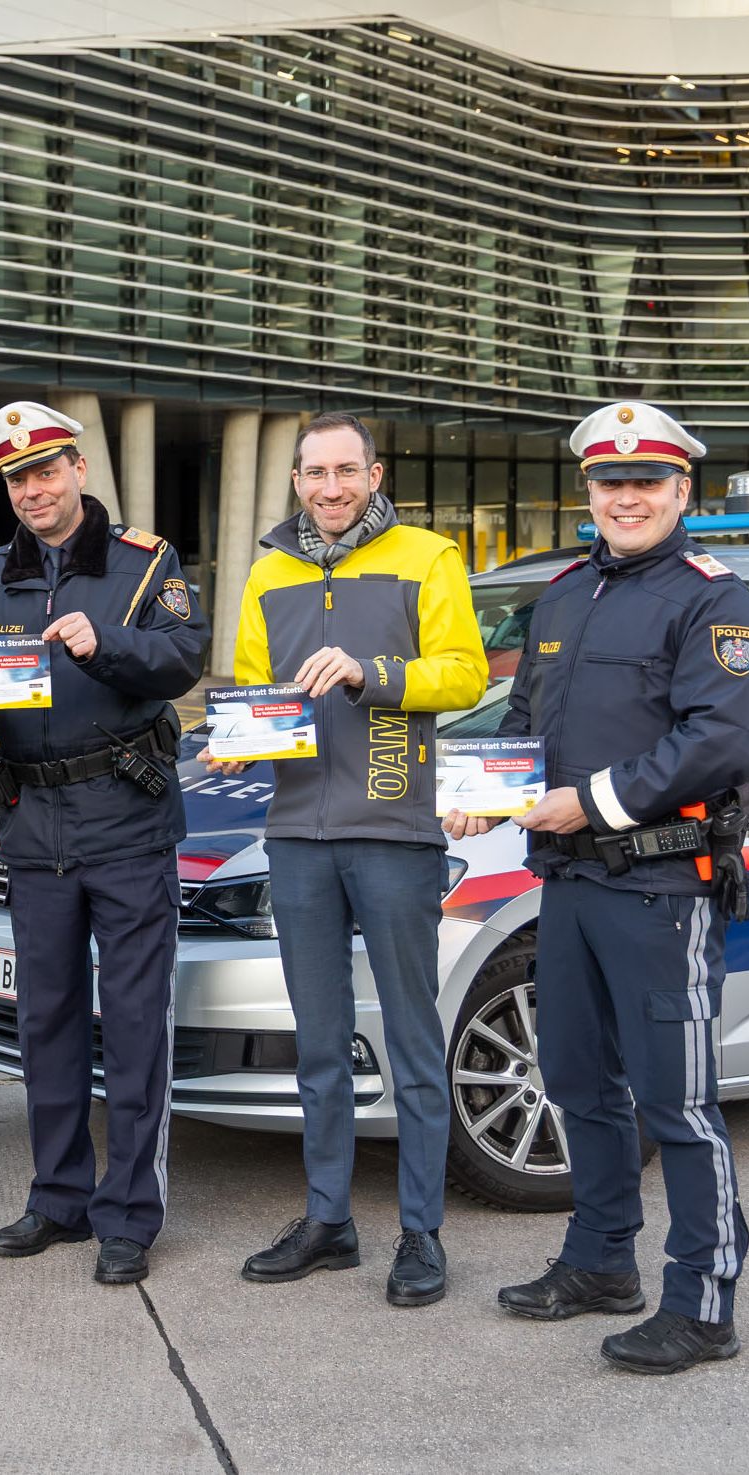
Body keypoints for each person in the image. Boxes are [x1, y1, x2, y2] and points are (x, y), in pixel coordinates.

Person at [448, 401, 749, 1373]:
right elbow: (525, 729)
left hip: (661, 880)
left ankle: (700, 1304)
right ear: (587, 490)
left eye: (646, 482)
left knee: (677, 1101)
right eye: (609, 482)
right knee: (579, 1082)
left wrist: (595, 802)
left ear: (679, 491)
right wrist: (481, 799)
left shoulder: (717, 597)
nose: (626, 496)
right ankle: (598, 1263)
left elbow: (719, 737)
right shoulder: (564, 595)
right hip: (565, 883)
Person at [0, 401, 206, 1286]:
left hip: (125, 817)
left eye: (45, 470)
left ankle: (127, 1214)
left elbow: (182, 658)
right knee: (43, 1019)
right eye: (16, 477)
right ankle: (57, 1197)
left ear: (77, 469)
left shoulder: (141, 561)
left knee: (130, 1024)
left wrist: (107, 641)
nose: (33, 489)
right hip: (31, 823)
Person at [212, 411, 486, 1307]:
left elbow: (465, 673)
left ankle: (421, 1233)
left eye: (344, 471)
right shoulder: (266, 569)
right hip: (295, 834)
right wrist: (236, 741)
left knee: (411, 1036)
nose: (328, 488)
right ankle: (328, 1218)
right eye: (312, 473)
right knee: (318, 1042)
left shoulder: (426, 557)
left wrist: (374, 671)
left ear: (373, 475)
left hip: (395, 831)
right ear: (294, 481)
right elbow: (257, 691)